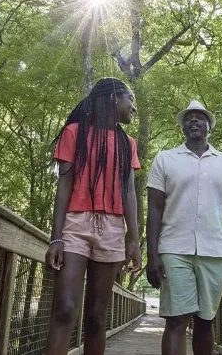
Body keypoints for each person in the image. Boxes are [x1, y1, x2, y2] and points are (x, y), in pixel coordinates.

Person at [45, 78, 142, 355]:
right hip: (75, 225)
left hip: (112, 229)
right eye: (130, 99)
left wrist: (134, 240)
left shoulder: (127, 143)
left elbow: (129, 193)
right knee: (65, 309)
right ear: (113, 98)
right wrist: (56, 238)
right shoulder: (74, 133)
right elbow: (64, 187)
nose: (133, 107)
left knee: (97, 317)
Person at [145, 100, 222, 355]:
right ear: (183, 127)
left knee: (205, 321)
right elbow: (154, 210)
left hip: (214, 251)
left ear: (209, 126)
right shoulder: (165, 159)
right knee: (176, 319)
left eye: (200, 117)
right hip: (174, 249)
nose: (194, 120)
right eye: (188, 118)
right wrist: (152, 255)